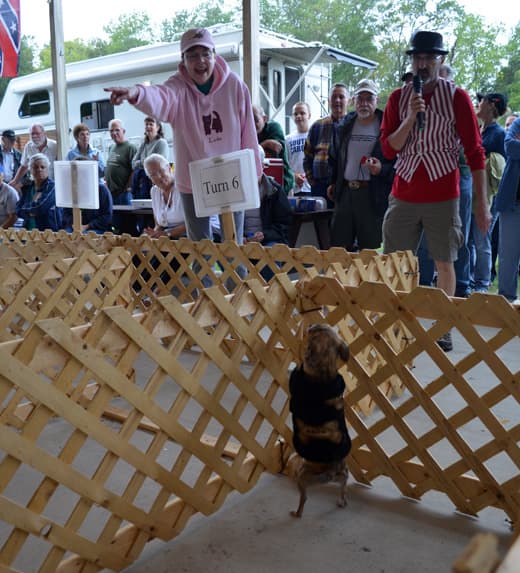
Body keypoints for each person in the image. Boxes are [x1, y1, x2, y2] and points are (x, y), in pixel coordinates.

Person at [380, 30, 490, 352]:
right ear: (411, 61)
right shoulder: (397, 98)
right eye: (418, 58)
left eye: (429, 58)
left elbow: (475, 152)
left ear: (440, 60)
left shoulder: (457, 97)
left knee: (445, 262)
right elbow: (389, 149)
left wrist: (482, 205)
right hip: (404, 191)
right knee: (395, 262)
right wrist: (411, 116)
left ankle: (443, 328)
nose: (423, 64)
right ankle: (397, 321)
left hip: (443, 192)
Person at [104, 27, 262, 245]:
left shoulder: (235, 86)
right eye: (192, 55)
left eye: (206, 54)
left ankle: (238, 280)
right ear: (183, 60)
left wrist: (253, 172)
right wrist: (137, 93)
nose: (200, 61)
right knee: (200, 248)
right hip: (193, 180)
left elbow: (248, 131)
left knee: (234, 246)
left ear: (215, 55)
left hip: (231, 176)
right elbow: (161, 97)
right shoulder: (177, 87)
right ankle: (203, 280)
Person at [417, 63, 473, 298]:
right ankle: (425, 284)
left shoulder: (459, 105)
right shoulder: (421, 108)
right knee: (425, 241)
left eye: (442, 81)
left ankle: (460, 288)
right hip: (427, 184)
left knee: (457, 239)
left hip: (458, 179)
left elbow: (470, 149)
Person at [328, 78, 395, 252]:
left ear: (377, 100)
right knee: (339, 247)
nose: (364, 103)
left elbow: (397, 164)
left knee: (370, 250)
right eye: (360, 99)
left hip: (373, 194)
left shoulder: (386, 126)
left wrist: (381, 170)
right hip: (346, 192)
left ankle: (368, 280)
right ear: (354, 101)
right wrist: (333, 182)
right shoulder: (345, 125)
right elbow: (334, 157)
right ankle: (341, 280)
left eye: (369, 99)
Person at [470, 92, 507, 293]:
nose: (478, 104)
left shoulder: (499, 134)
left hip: (488, 198)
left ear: (492, 106)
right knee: (467, 241)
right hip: (469, 195)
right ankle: (466, 281)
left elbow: (502, 170)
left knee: (481, 240)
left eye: (482, 101)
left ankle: (481, 285)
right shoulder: (479, 131)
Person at [303, 83, 349, 206]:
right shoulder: (317, 126)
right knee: (320, 223)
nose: (337, 100)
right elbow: (307, 156)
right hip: (319, 186)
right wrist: (312, 181)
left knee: (341, 223)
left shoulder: (352, 126)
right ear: (329, 101)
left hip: (345, 186)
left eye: (341, 97)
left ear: (348, 101)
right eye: (334, 97)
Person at [495, 115, 520, 302]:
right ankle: (505, 304)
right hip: (512, 203)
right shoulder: (518, 122)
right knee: (507, 257)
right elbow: (510, 146)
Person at [62, 158, 113, 234]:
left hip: (96, 229)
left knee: (84, 236)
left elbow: (106, 216)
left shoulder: (101, 190)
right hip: (74, 227)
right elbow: (66, 214)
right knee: (65, 236)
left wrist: (87, 226)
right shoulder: (71, 191)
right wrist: (75, 224)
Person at [104, 118, 137, 234]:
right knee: (116, 225)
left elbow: (134, 169)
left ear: (124, 131)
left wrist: (128, 187)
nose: (114, 133)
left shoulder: (130, 148)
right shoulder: (112, 147)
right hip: (112, 194)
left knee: (127, 227)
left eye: (117, 130)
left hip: (123, 194)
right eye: (111, 131)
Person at [142, 153, 186, 239]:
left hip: (189, 235)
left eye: (161, 171)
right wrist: (154, 234)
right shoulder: (154, 191)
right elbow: (159, 224)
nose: (159, 177)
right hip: (168, 237)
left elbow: (195, 223)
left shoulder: (183, 186)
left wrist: (167, 233)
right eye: (153, 175)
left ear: (169, 169)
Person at [253, 104, 294, 195]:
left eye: (255, 120)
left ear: (264, 119)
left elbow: (275, 149)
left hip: (282, 183)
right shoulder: (246, 132)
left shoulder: (274, 127)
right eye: (248, 120)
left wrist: (258, 147)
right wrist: (265, 144)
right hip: (260, 186)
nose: (251, 124)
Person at [16, 153, 62, 231]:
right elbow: (18, 209)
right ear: (30, 170)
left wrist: (26, 211)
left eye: (42, 167)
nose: (39, 169)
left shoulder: (52, 186)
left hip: (47, 232)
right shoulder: (27, 187)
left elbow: (40, 207)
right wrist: (31, 212)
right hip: (28, 231)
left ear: (47, 169)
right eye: (35, 167)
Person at [9, 124, 58, 190]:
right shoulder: (28, 146)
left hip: (52, 184)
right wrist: (15, 181)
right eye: (32, 134)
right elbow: (24, 166)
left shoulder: (55, 146)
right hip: (35, 184)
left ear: (44, 133)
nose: (34, 136)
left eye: (37, 133)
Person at [131, 116, 169, 200]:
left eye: (151, 124)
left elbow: (158, 165)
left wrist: (141, 162)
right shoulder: (143, 144)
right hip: (140, 184)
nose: (148, 127)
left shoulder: (161, 143)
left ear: (158, 127)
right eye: (146, 124)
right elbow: (133, 163)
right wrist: (146, 162)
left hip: (154, 184)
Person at [285, 102, 312, 195]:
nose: (298, 116)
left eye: (302, 113)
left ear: (309, 115)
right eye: (295, 114)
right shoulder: (287, 139)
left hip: (312, 187)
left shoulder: (315, 135)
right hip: (295, 188)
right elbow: (285, 164)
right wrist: (293, 176)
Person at [0, 164, 19, 229]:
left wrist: (1, 231)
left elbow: (13, 218)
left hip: (6, 232)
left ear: (2, 176)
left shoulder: (10, 192)